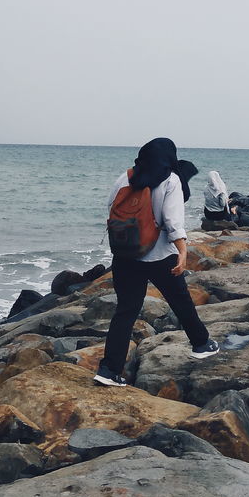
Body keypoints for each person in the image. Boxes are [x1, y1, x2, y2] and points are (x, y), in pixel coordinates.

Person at [95, 137, 219, 387]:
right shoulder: (170, 180)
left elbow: (111, 208)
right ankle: (201, 344)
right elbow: (173, 221)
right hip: (159, 255)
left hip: (126, 254)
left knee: (126, 311)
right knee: (180, 301)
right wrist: (183, 251)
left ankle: (109, 370)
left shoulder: (126, 177)